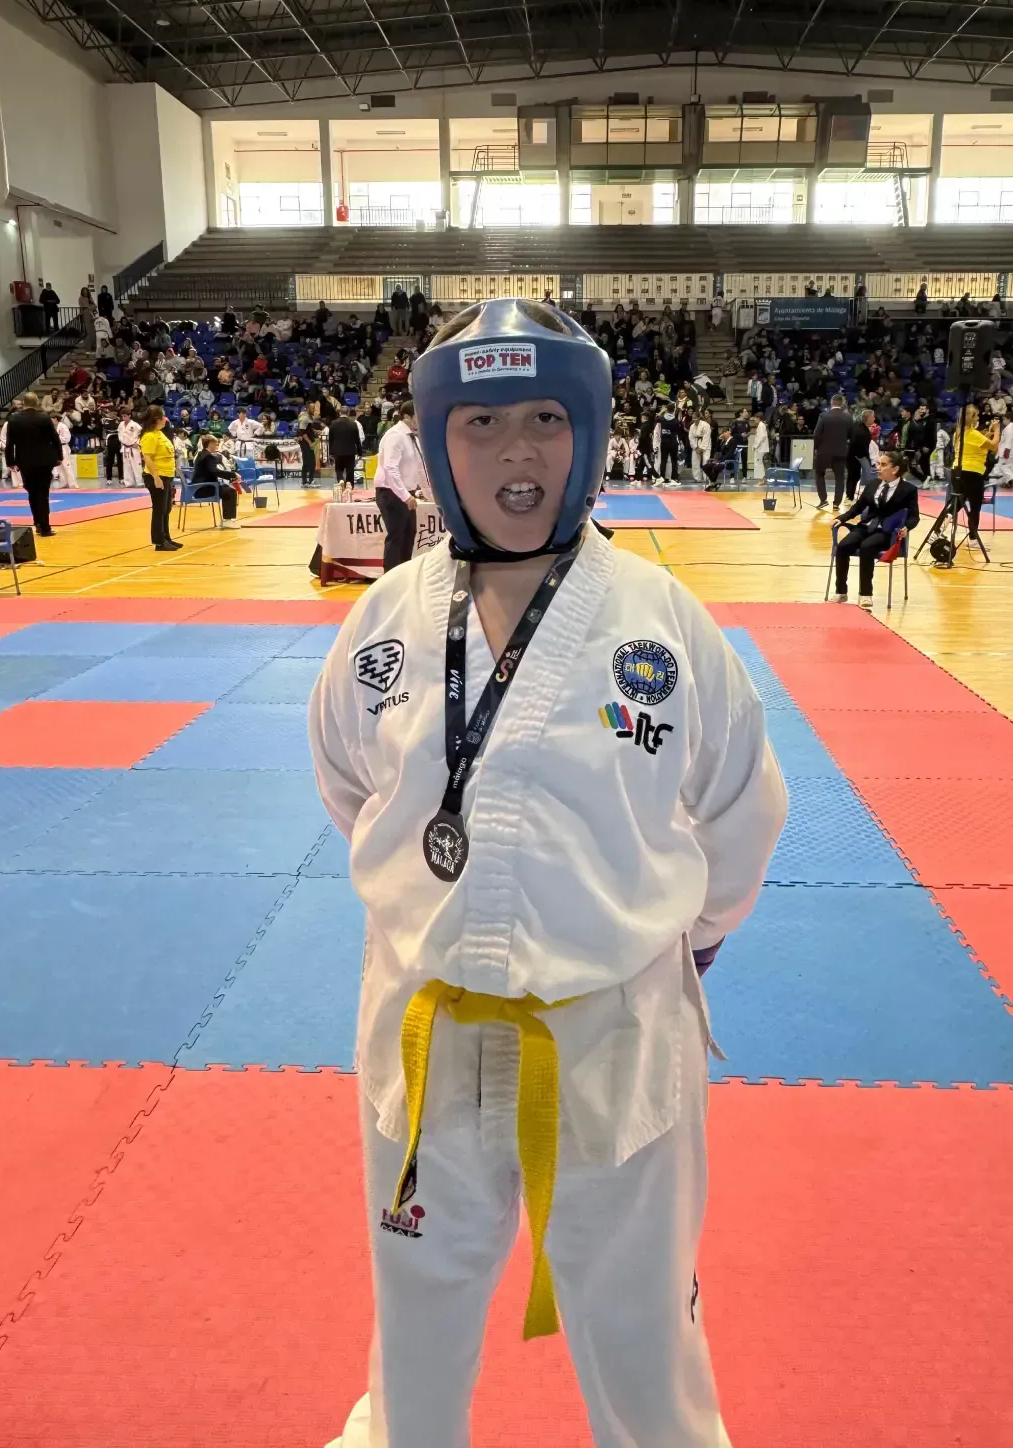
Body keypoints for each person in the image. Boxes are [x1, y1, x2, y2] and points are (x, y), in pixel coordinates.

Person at [310, 297, 787, 1448]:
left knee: (639, 1329)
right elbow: (347, 787)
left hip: (613, 1035)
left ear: (590, 435)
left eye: (543, 418)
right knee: (414, 1324)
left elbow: (743, 812)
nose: (515, 451)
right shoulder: (380, 628)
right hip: (425, 1035)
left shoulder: (664, 627)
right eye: (479, 423)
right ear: (434, 442)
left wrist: (684, 941)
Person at [831, 449, 920, 607]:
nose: (878, 467)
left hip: (887, 532)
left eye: (883, 464)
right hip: (866, 527)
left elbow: (914, 516)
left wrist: (907, 527)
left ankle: (865, 594)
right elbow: (858, 507)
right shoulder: (873, 484)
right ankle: (841, 591)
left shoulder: (909, 490)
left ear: (895, 469)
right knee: (843, 546)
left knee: (867, 547)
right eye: (878, 463)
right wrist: (841, 518)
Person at [373, 400, 426, 572]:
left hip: (406, 492)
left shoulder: (413, 437)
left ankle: (404, 574)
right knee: (396, 536)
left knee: (409, 535)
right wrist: (405, 496)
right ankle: (390, 576)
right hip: (390, 493)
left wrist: (430, 493)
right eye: (418, 416)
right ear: (407, 417)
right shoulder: (395, 436)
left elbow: (420, 469)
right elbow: (390, 468)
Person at [4, 391, 62, 537]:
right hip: (44, 461)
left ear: (23, 404)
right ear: (36, 403)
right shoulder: (44, 418)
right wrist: (59, 456)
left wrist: (10, 461)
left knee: (32, 492)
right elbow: (55, 439)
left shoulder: (14, 420)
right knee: (43, 494)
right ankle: (45, 527)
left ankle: (37, 522)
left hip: (25, 461)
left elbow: (10, 443)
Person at [949, 404, 1000, 539]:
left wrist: (988, 433)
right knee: (975, 505)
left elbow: (978, 442)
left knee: (959, 500)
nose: (978, 418)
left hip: (957, 471)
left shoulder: (957, 434)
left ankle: (945, 519)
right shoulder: (973, 434)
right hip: (973, 472)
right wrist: (997, 429)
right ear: (972, 418)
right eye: (976, 416)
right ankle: (973, 536)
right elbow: (994, 447)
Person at [140, 405, 181, 552]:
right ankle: (159, 541)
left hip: (167, 476)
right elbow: (148, 459)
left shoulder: (160, 433)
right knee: (159, 509)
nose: (166, 419)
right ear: (157, 419)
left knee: (167, 508)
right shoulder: (149, 436)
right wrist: (156, 478)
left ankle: (166, 537)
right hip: (157, 476)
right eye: (163, 417)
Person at [812, 393, 851, 511]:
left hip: (824, 451)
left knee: (819, 474)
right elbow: (851, 434)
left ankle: (823, 500)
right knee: (840, 477)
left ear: (831, 402)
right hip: (841, 451)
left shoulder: (824, 416)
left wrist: (816, 447)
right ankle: (836, 504)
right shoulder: (848, 417)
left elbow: (817, 434)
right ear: (842, 403)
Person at [193, 434, 241, 528]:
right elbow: (215, 471)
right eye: (215, 444)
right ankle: (228, 520)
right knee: (230, 491)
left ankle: (226, 519)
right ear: (210, 444)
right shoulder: (208, 457)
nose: (217, 446)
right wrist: (233, 475)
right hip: (204, 489)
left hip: (199, 487)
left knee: (226, 489)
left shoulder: (201, 454)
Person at [329, 407, 364, 486]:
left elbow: (331, 439)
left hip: (337, 451)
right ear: (348, 413)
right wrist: (360, 452)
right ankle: (349, 483)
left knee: (338, 468)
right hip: (350, 451)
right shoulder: (353, 424)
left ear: (339, 413)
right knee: (350, 470)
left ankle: (341, 479)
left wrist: (330, 452)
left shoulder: (333, 423)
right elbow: (357, 440)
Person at [118, 406, 143, 487]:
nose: (123, 418)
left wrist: (138, 443)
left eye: (125, 416)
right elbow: (120, 435)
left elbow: (141, 435)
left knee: (136, 465)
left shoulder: (135, 425)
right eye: (122, 416)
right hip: (125, 447)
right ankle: (129, 483)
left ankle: (140, 482)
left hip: (134, 447)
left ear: (129, 415)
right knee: (126, 465)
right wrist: (122, 442)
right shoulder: (121, 424)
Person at [53, 413, 79, 490]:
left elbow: (67, 438)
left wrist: (56, 439)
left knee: (67, 465)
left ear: (55, 418)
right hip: (57, 447)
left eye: (51, 419)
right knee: (59, 466)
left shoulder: (63, 427)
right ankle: (64, 482)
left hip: (63, 447)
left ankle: (73, 483)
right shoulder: (54, 427)